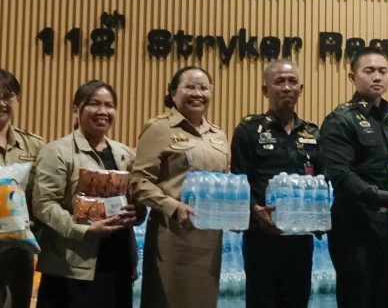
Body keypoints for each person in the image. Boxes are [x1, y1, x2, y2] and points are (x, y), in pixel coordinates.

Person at [320, 47, 388, 308]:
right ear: (352, 77)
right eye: (369, 71)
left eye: (382, 71)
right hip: (353, 225)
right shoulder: (340, 119)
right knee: (358, 298)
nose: (377, 77)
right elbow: (340, 175)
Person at [32, 80, 142, 308]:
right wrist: (84, 230)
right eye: (94, 104)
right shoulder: (57, 152)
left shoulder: (125, 154)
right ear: (77, 110)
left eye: (109, 105)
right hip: (71, 267)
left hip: (118, 264)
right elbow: (44, 205)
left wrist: (137, 212)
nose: (103, 111)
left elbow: (136, 202)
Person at [130, 66, 229, 308]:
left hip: (210, 240)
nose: (198, 93)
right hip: (172, 235)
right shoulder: (159, 128)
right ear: (173, 93)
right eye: (190, 87)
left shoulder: (218, 135)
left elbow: (224, 181)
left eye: (204, 88)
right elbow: (139, 182)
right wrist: (172, 206)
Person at [230, 59, 321, 308]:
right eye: (279, 81)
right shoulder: (249, 130)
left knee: (297, 300)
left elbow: (323, 182)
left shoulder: (313, 134)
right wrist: (255, 210)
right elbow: (238, 179)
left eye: (292, 82)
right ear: (265, 90)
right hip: (261, 237)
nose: (287, 87)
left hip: (300, 239)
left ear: (301, 89)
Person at [0, 70, 45, 308]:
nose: (2, 103)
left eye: (7, 97)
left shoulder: (34, 145)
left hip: (19, 251)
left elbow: (44, 195)